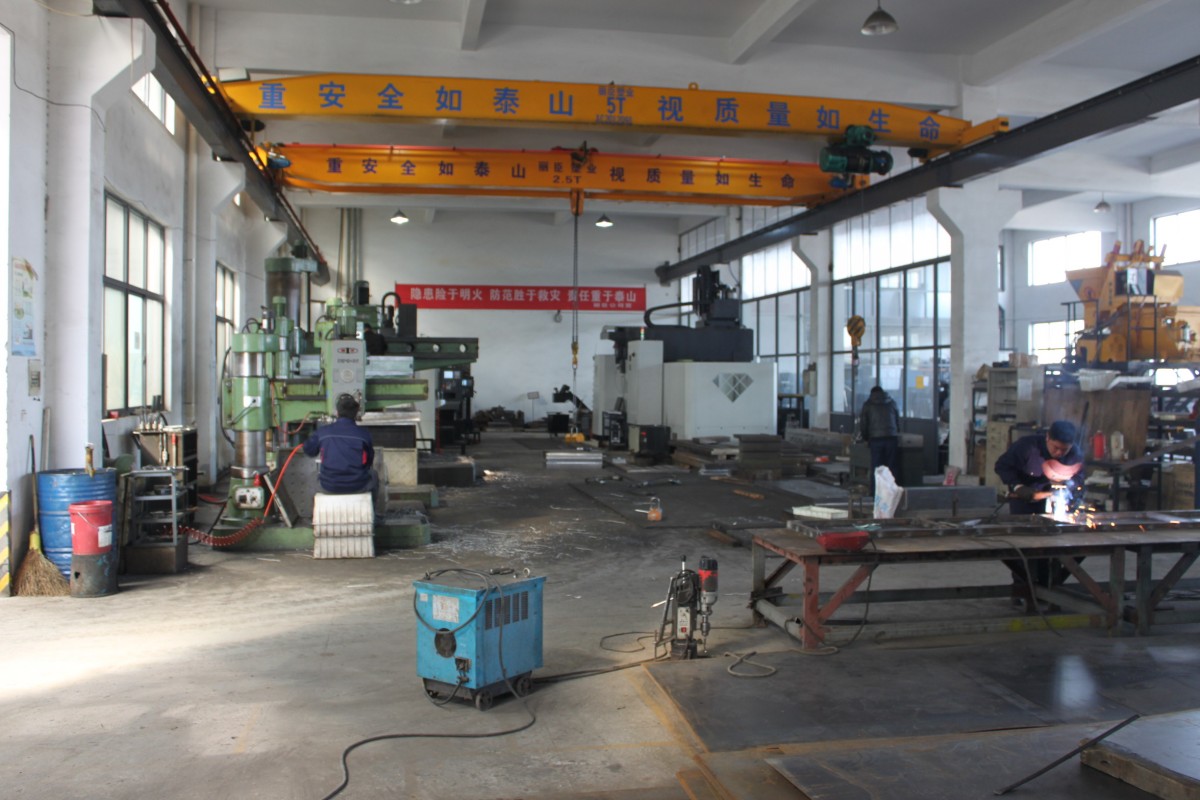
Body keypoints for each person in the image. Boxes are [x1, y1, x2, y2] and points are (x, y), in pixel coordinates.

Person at [993, 420, 1085, 608]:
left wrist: (1070, 488)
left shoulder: (1074, 454)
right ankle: (1021, 591)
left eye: (1064, 450)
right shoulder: (1026, 447)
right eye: (1056, 448)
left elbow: (1079, 478)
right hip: (1025, 501)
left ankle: (1047, 591)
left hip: (1053, 502)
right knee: (1024, 548)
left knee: (1050, 549)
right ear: (1048, 437)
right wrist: (1018, 487)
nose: (1059, 453)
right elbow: (1002, 466)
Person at [303, 394, 379, 505]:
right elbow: (369, 461)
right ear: (356, 414)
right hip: (358, 486)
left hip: (329, 486)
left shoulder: (323, 432)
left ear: (337, 413)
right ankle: (373, 511)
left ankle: (315, 511)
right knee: (374, 475)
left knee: (312, 477)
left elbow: (309, 451)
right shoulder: (364, 434)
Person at [859, 386, 900, 489]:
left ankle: (876, 492)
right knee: (892, 466)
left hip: (876, 439)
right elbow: (897, 420)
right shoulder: (892, 403)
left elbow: (863, 424)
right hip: (891, 437)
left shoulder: (868, 405)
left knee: (876, 467)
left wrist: (865, 438)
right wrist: (895, 432)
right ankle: (892, 491)